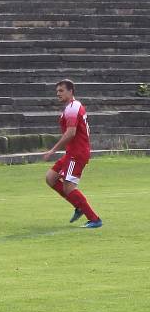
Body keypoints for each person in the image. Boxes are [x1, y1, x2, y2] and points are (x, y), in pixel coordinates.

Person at [42, 79, 102, 228]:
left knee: (68, 187)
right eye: (57, 91)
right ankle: (79, 206)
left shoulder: (73, 107)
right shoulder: (71, 107)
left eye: (61, 91)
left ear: (71, 91)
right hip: (72, 152)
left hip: (77, 153)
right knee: (50, 178)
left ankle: (94, 219)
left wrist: (52, 150)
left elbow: (71, 133)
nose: (58, 94)